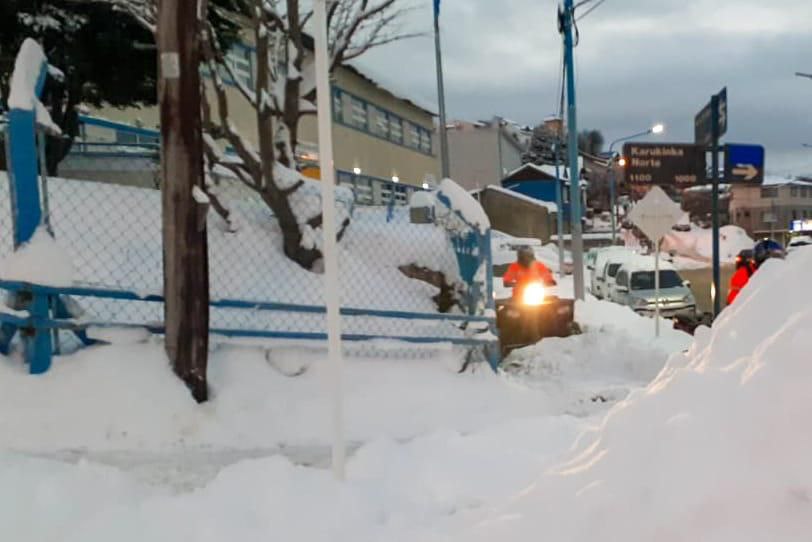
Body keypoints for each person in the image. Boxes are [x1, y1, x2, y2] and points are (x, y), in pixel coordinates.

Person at [726, 240, 785, 305]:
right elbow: (733, 302)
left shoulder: (779, 273)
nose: (777, 263)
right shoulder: (744, 273)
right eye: (774, 259)